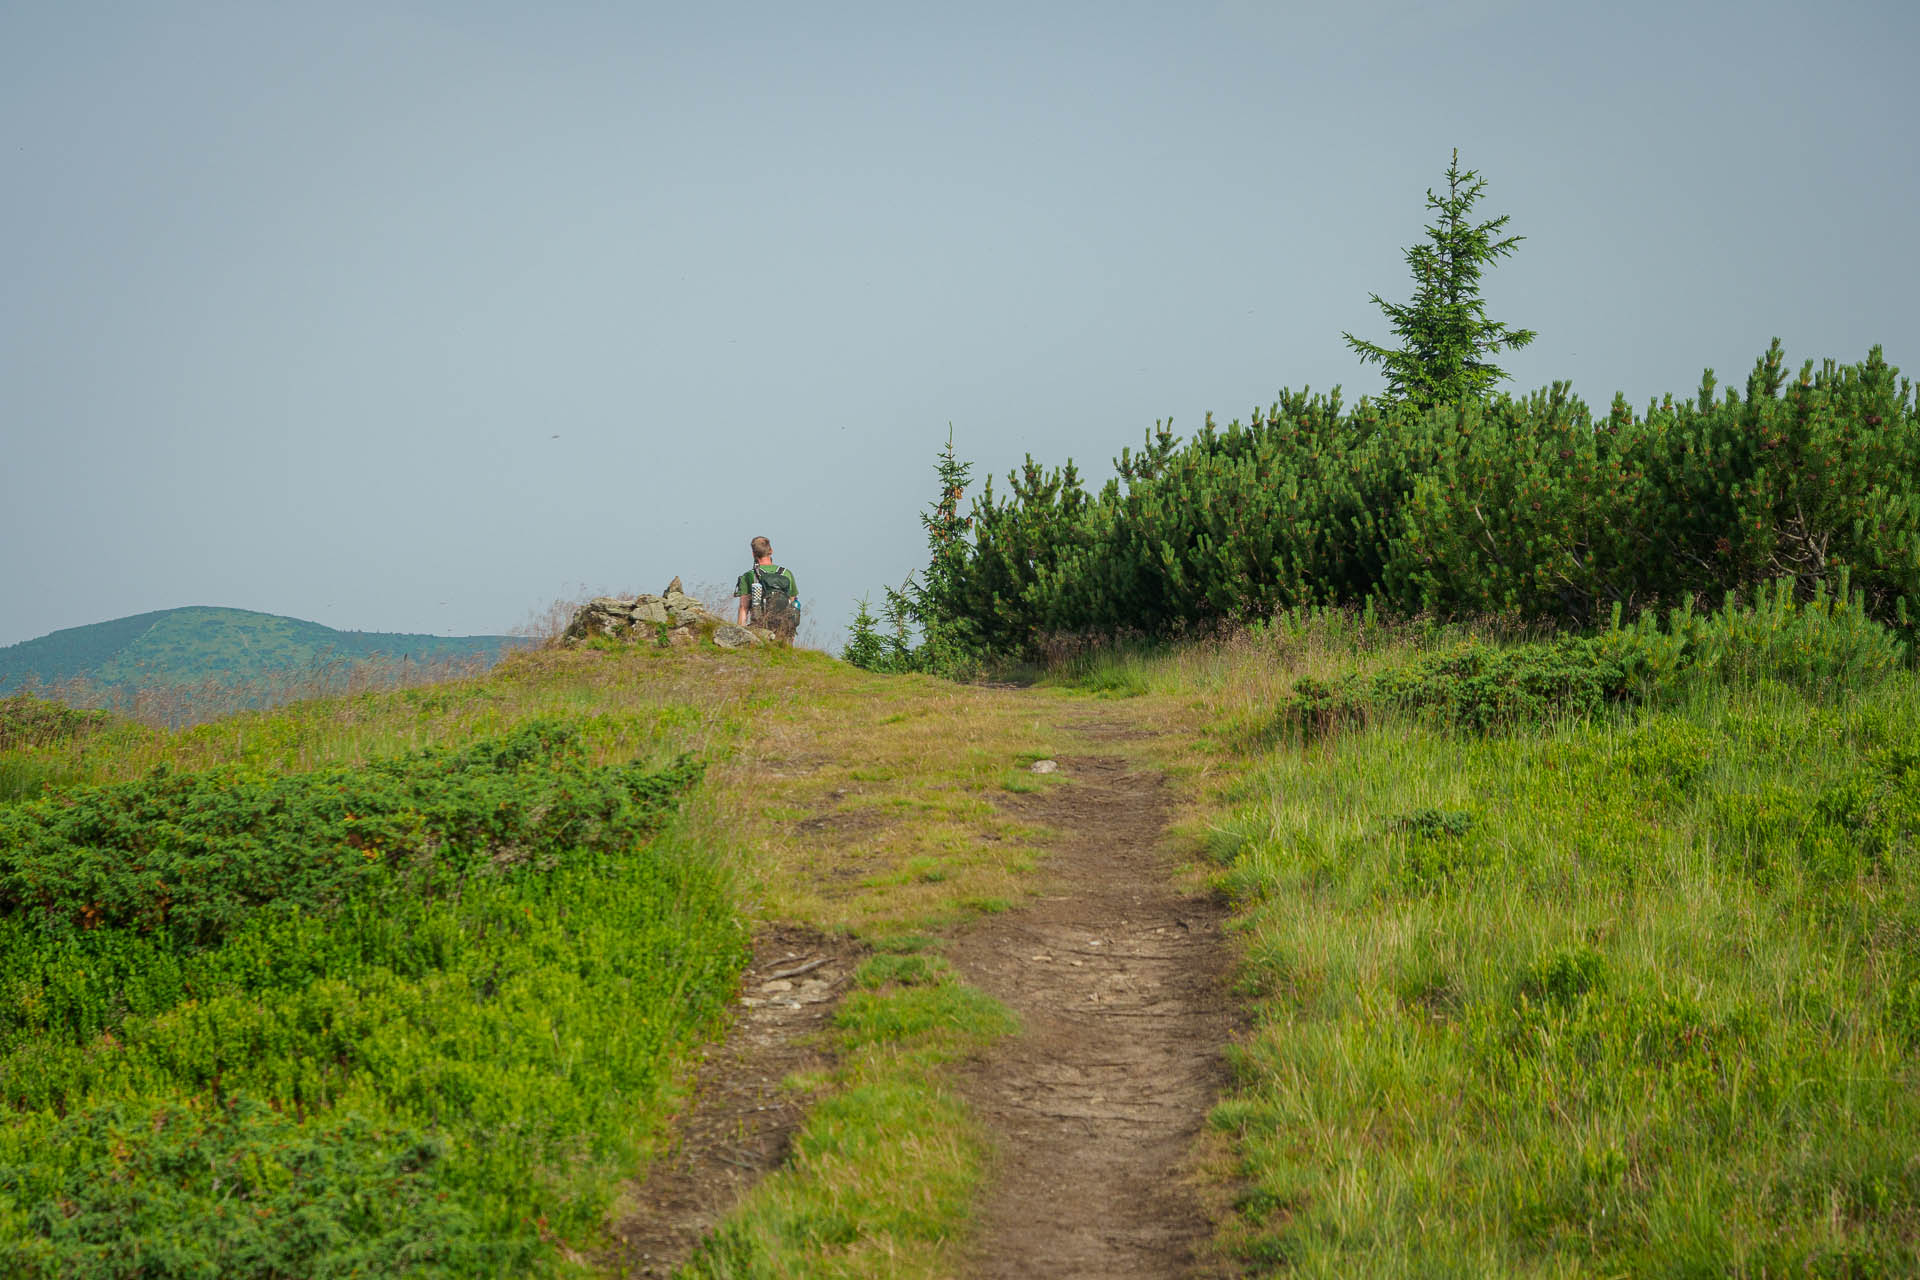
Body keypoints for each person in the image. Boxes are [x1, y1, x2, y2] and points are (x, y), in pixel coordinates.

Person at [735, 536, 800, 639]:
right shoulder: (786, 573)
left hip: (760, 628)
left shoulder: (749, 575)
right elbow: (793, 605)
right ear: (771, 551)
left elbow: (744, 608)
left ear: (753, 554)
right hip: (783, 628)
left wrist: (739, 634)